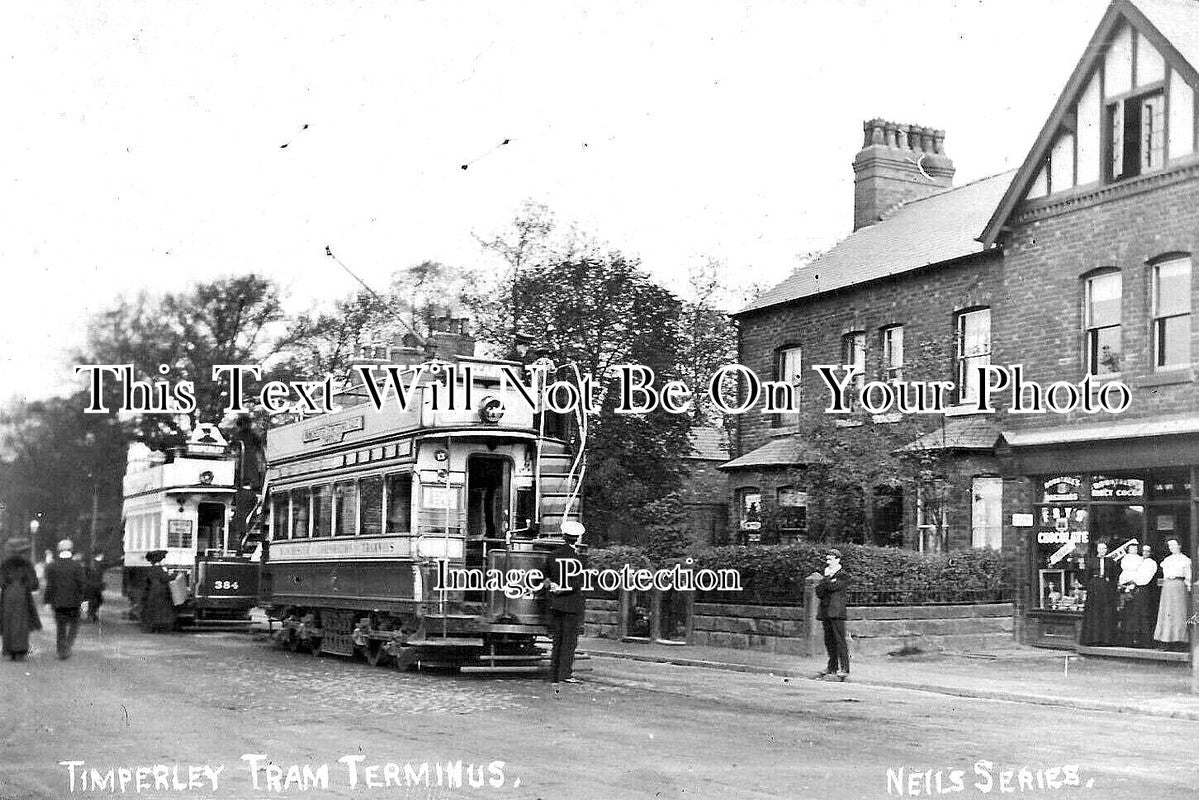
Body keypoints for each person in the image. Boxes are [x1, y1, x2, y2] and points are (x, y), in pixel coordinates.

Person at [545, 521, 588, 686]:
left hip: (556, 604)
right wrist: (562, 589)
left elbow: (546, 578)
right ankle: (565, 674)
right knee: (569, 641)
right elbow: (577, 584)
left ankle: (554, 674)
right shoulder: (578, 559)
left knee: (558, 640)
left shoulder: (552, 555)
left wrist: (554, 588)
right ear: (576, 539)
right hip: (572, 605)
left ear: (563, 536)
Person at [43, 538, 87, 660]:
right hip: (74, 602)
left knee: (60, 627)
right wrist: (85, 603)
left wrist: (47, 601)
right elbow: (83, 585)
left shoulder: (52, 566)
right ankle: (68, 644)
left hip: (58, 603)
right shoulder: (77, 566)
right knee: (75, 624)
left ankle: (61, 649)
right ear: (71, 550)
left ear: (58, 551)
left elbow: (49, 585)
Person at [1, 540, 42, 661]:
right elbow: (34, 583)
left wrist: (8, 585)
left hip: (8, 596)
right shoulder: (26, 564)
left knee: (8, 622)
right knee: (22, 623)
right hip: (23, 596)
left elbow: (1, 580)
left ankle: (10, 650)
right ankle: (20, 650)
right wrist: (25, 585)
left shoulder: (5, 563)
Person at [815, 548, 851, 679]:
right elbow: (819, 592)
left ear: (838, 560)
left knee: (840, 640)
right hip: (826, 611)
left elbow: (832, 587)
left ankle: (845, 668)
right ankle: (832, 666)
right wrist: (828, 579)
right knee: (829, 640)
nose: (828, 561)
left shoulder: (842, 574)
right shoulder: (827, 574)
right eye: (827, 559)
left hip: (836, 612)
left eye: (831, 559)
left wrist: (827, 579)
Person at [1153, 537, 1191, 650]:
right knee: (1166, 612)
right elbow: (1165, 575)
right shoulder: (1167, 560)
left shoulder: (1185, 560)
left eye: (1174, 545)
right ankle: (1165, 640)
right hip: (1167, 587)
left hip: (1179, 586)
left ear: (1179, 545)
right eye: (1170, 546)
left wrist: (1188, 588)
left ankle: (1180, 640)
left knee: (1179, 613)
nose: (1172, 548)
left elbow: (1188, 576)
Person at [1078, 541, 1117, 646]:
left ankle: (1106, 639)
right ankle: (1093, 639)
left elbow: (1114, 576)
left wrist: (1112, 588)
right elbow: (1086, 576)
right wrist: (1089, 586)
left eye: (1104, 549)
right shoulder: (1091, 561)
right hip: (1094, 588)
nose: (1102, 551)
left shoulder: (1111, 561)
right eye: (1100, 549)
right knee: (1094, 613)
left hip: (1106, 588)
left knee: (1106, 613)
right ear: (1097, 550)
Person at [141, 550, 177, 633]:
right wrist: (175, 575)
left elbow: (146, 581)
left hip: (151, 592)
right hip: (161, 592)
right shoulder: (160, 569)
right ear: (160, 560)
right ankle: (161, 628)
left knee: (152, 610)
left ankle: (152, 628)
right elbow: (165, 578)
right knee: (162, 611)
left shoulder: (150, 569)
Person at [84, 553, 105, 623]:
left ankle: (89, 614)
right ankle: (90, 614)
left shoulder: (90, 563)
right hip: (95, 586)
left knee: (90, 600)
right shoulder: (100, 564)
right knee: (97, 601)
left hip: (89, 586)